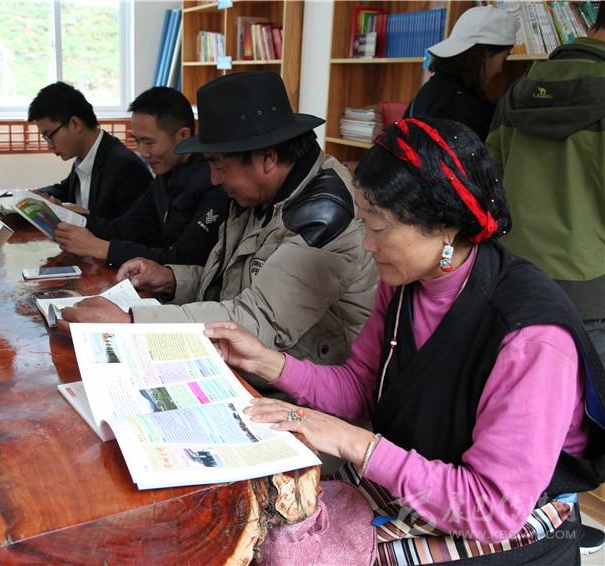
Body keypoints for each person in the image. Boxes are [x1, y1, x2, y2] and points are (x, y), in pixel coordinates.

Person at [204, 117, 605, 564]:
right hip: (423, 477)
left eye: (378, 228)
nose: (366, 245)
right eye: (363, 223)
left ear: (445, 227)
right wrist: (266, 362)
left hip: (502, 518)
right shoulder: (407, 282)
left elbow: (493, 508)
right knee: (261, 528)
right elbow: (364, 386)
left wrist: (353, 443)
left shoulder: (531, 339)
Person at [60, 72, 378, 394]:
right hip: (238, 366)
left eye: (220, 166)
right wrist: (171, 278)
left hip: (296, 393)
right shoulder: (257, 192)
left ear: (267, 157)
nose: (213, 179)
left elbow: (257, 319)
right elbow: (232, 285)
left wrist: (132, 323)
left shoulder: (326, 212)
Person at [486, 6, 605, 556]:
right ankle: (557, 536)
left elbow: (488, 187)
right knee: (583, 431)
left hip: (514, 286)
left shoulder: (520, 89)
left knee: (521, 420)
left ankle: (526, 534)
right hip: (593, 290)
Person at [53, 86, 227, 267]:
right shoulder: (164, 176)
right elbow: (123, 228)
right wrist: (62, 215)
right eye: (137, 141)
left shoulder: (214, 181)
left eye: (149, 143)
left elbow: (183, 258)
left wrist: (102, 248)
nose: (143, 152)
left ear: (183, 135)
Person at [27, 81, 153, 218]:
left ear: (75, 124)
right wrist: (38, 195)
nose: (49, 146)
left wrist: (75, 215)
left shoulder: (126, 168)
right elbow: (66, 188)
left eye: (49, 136)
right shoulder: (85, 156)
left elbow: (130, 229)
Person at [405, 6, 519, 141]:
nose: (500, 70)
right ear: (484, 54)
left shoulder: (432, 89)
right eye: (504, 58)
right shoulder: (463, 110)